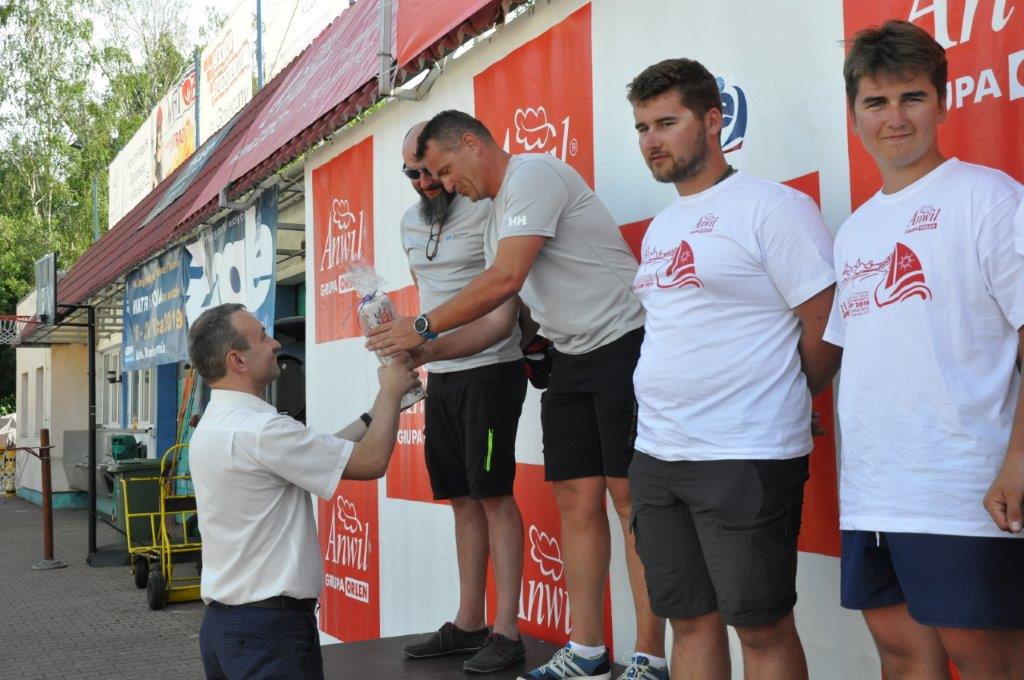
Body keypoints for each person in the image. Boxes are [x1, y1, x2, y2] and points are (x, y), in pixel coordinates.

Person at [369, 111, 667, 680]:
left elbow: (505, 279)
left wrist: (422, 326)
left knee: (631, 501)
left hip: (623, 345)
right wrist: (423, 351)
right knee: (574, 501)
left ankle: (649, 659)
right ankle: (587, 651)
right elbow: (499, 315)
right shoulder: (493, 215)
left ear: (471, 143)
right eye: (427, 176)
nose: (444, 185)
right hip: (569, 357)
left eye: (446, 170)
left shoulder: (533, 174)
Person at [625, 58, 840, 680]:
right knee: (689, 620)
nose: (652, 140)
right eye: (642, 127)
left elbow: (827, 325)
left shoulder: (774, 207)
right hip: (657, 452)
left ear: (714, 120)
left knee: (762, 627)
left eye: (667, 123)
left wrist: (787, 395)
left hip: (743, 453)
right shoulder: (662, 227)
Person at [825, 20, 1024, 679]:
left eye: (912, 97)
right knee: (903, 656)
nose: (895, 117)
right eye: (876, 102)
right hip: (873, 491)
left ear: (942, 101)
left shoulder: (990, 199)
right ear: (854, 113)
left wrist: (1019, 459)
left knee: (986, 660)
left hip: (965, 489)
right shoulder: (854, 231)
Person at [188, 303, 420, 680]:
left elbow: (319, 453)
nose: (276, 344)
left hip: (225, 629)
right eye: (263, 337)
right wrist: (392, 392)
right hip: (270, 633)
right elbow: (372, 461)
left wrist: (373, 414)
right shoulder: (262, 431)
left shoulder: (217, 423)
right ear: (237, 359)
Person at [397, 122, 530, 674]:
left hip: (492, 369)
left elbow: (503, 304)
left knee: (494, 494)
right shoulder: (409, 222)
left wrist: (428, 341)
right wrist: (415, 349)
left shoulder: (486, 208)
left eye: (432, 171)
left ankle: (507, 630)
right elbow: (426, 294)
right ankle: (469, 621)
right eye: (413, 174)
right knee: (460, 497)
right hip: (444, 376)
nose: (426, 182)